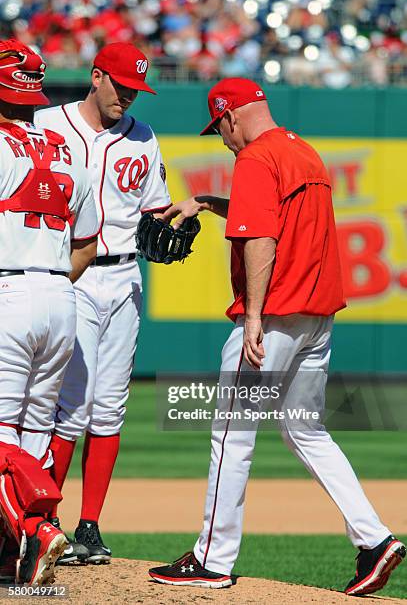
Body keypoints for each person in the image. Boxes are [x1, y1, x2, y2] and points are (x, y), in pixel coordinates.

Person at [148, 77, 405, 596]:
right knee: (306, 430)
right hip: (317, 320)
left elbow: (262, 238)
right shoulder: (302, 152)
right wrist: (207, 201)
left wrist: (255, 317)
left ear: (231, 116)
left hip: (275, 320)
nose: (220, 139)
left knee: (231, 435)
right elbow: (274, 218)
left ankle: (211, 560)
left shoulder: (255, 160)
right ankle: (376, 541)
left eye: (218, 127)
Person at [29, 42, 171, 564]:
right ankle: (42, 521)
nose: (129, 97)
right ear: (95, 77)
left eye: (137, 89)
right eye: (121, 86)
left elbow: (155, 208)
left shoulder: (144, 138)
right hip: (70, 275)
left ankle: (89, 526)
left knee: (110, 407)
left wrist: (175, 222)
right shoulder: (49, 124)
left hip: (125, 277)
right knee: (70, 408)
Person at [0, 39, 98, 585]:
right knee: (35, 432)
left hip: (9, 293)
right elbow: (86, 243)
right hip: (61, 297)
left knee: (1, 434)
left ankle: (36, 532)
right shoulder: (68, 152)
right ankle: (17, 551)